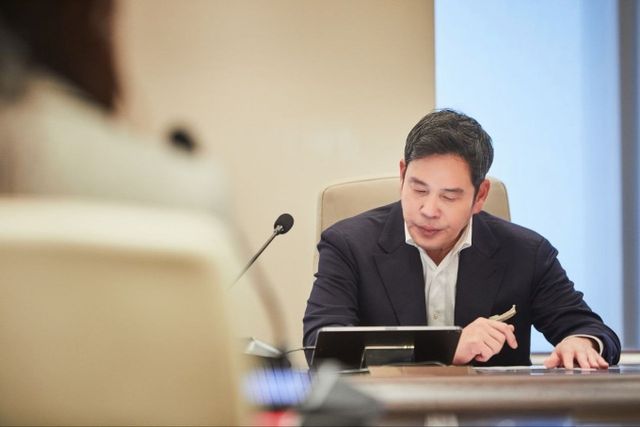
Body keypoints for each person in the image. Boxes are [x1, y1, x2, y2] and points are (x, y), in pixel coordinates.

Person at [303, 109, 621, 368]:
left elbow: (592, 331)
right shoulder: (348, 245)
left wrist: (581, 342)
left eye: (449, 196)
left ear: (480, 196)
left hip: (488, 415)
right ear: (402, 175)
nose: (429, 210)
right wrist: (446, 349)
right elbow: (321, 346)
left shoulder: (526, 253)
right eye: (418, 189)